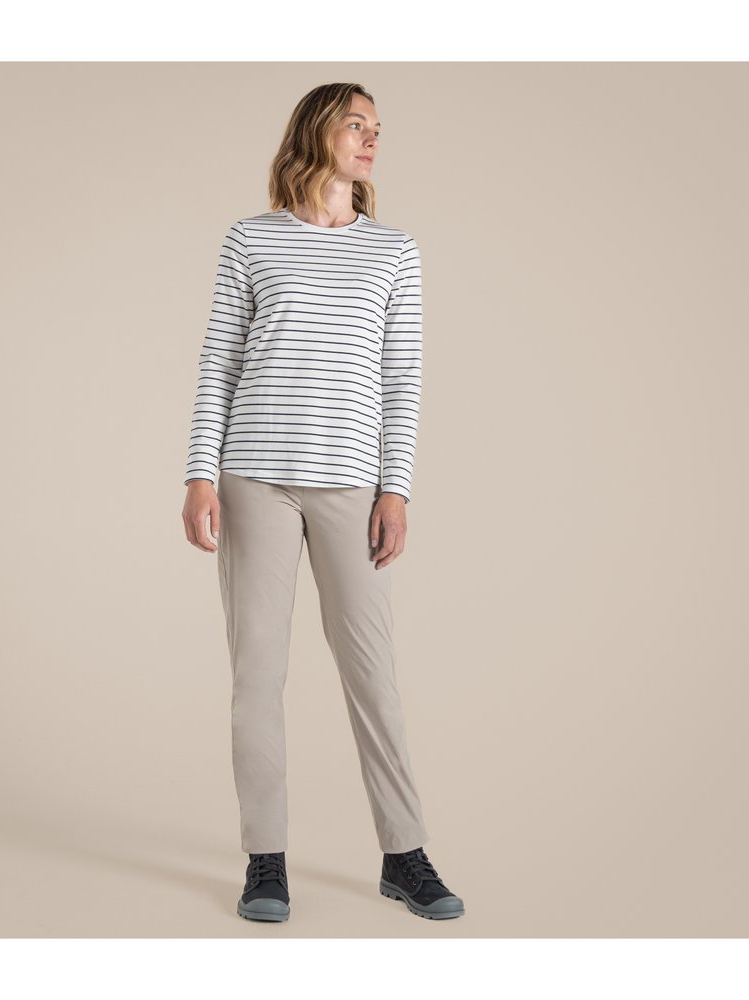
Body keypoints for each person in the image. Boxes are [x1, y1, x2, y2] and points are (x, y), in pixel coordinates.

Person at [181, 83, 464, 923]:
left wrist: (396, 490)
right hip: (254, 478)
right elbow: (219, 363)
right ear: (317, 132)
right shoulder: (251, 239)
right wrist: (199, 475)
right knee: (257, 675)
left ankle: (404, 855)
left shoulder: (395, 251)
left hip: (350, 484)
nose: (372, 139)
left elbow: (402, 379)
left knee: (373, 674)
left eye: (378, 129)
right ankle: (265, 861)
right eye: (356, 124)